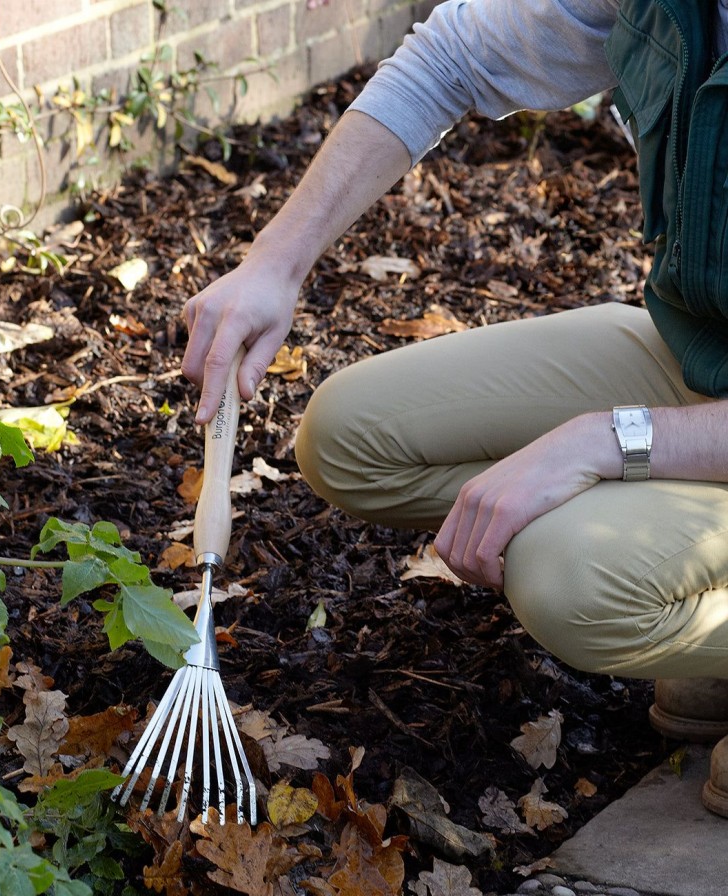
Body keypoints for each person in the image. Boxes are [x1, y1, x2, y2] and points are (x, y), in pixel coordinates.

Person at [181, 0, 728, 814]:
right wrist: (277, 262)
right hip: (699, 357)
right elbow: (452, 58)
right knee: (350, 438)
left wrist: (602, 443)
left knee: (570, 576)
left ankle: (671, 571)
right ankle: (689, 574)